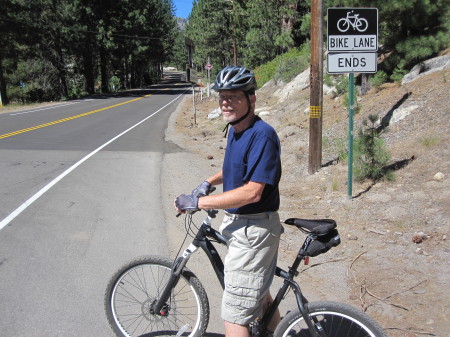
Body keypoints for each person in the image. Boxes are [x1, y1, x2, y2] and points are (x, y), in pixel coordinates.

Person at [175, 66, 282, 337]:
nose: (225, 102)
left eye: (234, 96)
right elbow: (235, 169)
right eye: (222, 96)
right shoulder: (236, 130)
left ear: (251, 99)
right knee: (260, 298)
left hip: (253, 230)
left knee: (234, 317)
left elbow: (252, 192)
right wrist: (208, 182)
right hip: (245, 227)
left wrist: (199, 203)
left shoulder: (262, 134)